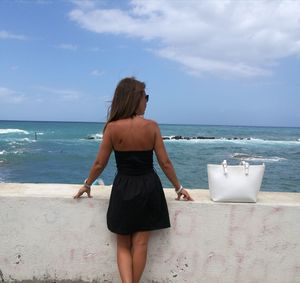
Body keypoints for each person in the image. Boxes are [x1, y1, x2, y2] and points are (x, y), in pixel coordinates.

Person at [73, 77, 193, 283]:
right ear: (135, 99)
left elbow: (99, 163)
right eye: (145, 97)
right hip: (148, 186)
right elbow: (165, 162)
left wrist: (87, 184)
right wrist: (178, 187)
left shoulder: (112, 128)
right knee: (141, 244)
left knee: (122, 244)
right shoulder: (152, 127)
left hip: (123, 188)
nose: (147, 101)